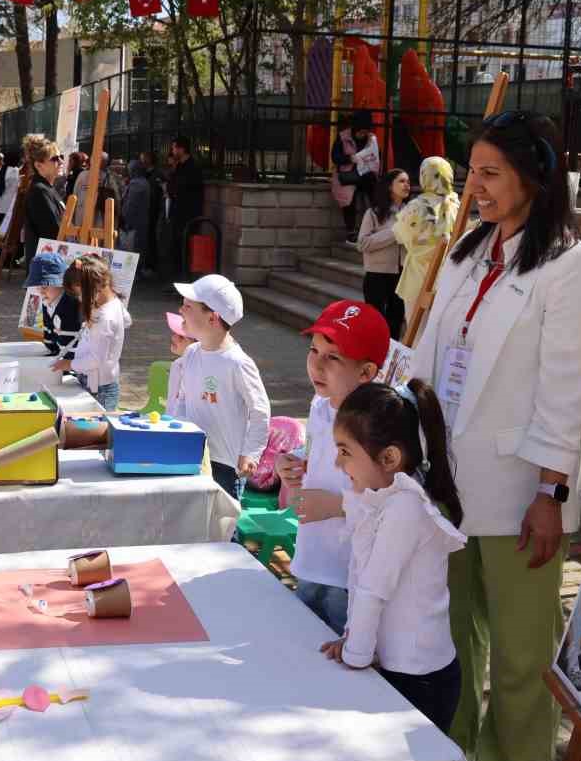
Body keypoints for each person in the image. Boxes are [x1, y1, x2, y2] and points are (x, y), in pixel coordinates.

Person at [407, 110, 581, 761]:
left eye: (492, 173)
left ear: (535, 177)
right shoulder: (468, 250)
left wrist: (551, 493)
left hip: (522, 490)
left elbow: (565, 391)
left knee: (521, 652)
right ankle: (455, 758)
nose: (477, 187)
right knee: (451, 635)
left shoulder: (570, 268)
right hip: (447, 481)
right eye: (474, 172)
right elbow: (431, 351)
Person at [321, 379, 467, 731]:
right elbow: (360, 574)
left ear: (389, 458)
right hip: (396, 667)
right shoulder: (381, 498)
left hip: (420, 679)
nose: (338, 462)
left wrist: (357, 655)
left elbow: (374, 588)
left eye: (345, 451)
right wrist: (355, 641)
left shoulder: (405, 507)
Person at [275, 301, 389, 634]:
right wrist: (292, 462)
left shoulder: (377, 424)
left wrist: (336, 505)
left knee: (344, 651)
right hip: (311, 559)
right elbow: (316, 452)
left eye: (333, 357)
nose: (316, 364)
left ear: (366, 373)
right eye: (314, 350)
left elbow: (391, 500)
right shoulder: (320, 405)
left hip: (349, 574)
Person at [167, 274, 270, 499]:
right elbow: (182, 398)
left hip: (225, 466)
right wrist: (175, 432)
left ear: (212, 318)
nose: (181, 310)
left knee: (222, 519)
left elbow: (260, 411)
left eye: (188, 306)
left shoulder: (238, 363)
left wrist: (251, 453)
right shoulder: (191, 353)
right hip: (192, 455)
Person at [52, 255, 129, 409]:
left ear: (94, 288)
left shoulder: (104, 319)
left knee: (96, 422)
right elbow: (127, 320)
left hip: (98, 389)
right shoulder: (113, 304)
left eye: (79, 294)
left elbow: (95, 360)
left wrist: (69, 364)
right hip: (100, 383)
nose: (79, 299)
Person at [392, 156, 458, 314]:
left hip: (417, 276)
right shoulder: (456, 205)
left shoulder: (416, 206)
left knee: (416, 325)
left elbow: (399, 234)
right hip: (447, 277)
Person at [358, 169, 411, 340]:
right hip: (377, 275)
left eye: (408, 182)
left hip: (402, 274)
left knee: (396, 322)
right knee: (375, 322)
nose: (407, 185)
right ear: (389, 186)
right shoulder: (373, 213)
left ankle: (390, 355)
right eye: (401, 181)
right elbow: (363, 243)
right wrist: (395, 233)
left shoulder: (412, 213)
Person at [27, 252, 80, 361]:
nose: (41, 291)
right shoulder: (48, 300)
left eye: (45, 286)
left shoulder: (70, 306)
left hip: (74, 361)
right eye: (37, 286)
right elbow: (49, 335)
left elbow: (72, 346)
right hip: (58, 356)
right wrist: (51, 350)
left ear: (61, 284)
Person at [22, 136, 65, 267]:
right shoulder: (39, 190)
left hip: (50, 262)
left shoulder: (47, 188)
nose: (61, 161)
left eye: (61, 156)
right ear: (38, 165)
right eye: (55, 159)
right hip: (45, 266)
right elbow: (53, 230)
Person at [165, 137, 204, 278]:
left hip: (188, 213)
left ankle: (185, 277)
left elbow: (180, 188)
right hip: (177, 212)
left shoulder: (192, 167)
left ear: (182, 149)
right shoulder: (179, 166)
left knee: (185, 246)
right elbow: (171, 187)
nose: (172, 151)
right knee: (176, 246)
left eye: (174, 148)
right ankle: (177, 276)